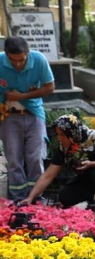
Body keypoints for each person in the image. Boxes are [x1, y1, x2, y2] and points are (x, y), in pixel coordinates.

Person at [21, 114, 95, 208]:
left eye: (62, 135)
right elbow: (48, 175)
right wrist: (31, 197)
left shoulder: (94, 137)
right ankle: (91, 197)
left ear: (71, 133)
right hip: (86, 180)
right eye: (58, 135)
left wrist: (91, 164)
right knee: (63, 199)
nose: (59, 138)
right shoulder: (64, 148)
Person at [0, 36, 55, 201]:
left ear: (28, 53)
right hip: (9, 116)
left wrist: (23, 95)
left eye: (21, 60)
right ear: (6, 54)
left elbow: (49, 87)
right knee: (14, 158)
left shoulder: (38, 60)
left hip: (33, 113)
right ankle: (17, 197)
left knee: (35, 156)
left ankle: (35, 197)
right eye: (13, 60)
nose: (17, 64)